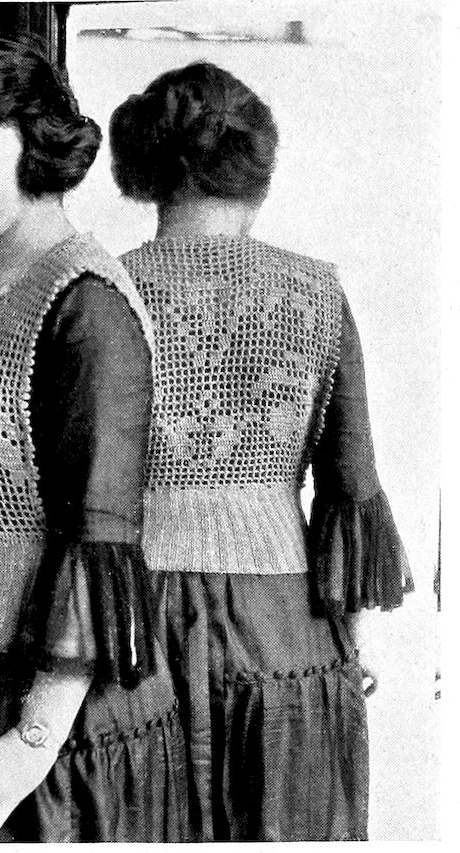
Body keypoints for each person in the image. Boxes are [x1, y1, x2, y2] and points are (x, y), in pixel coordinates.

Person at [0, 34, 188, 843]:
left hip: (49, 726)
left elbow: (100, 534)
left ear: (38, 141)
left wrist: (32, 740)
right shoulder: (4, 292)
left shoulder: (86, 303)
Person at [110, 61, 414, 842]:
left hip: (130, 624)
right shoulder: (315, 292)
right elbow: (351, 485)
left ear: (145, 171)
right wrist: (351, 640)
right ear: (258, 170)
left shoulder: (98, 290)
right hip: (284, 628)